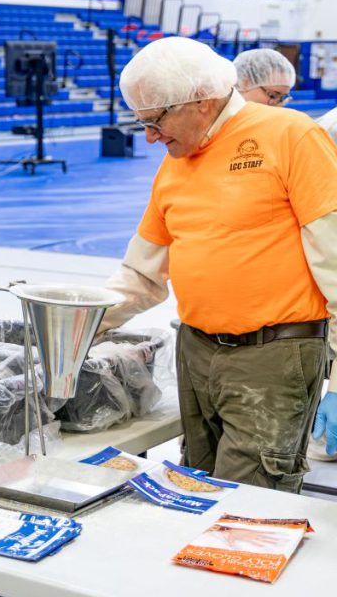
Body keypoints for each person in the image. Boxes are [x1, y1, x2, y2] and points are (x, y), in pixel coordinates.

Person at [100, 36, 337, 492]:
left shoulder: (291, 136)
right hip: (196, 352)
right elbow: (141, 275)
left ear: (202, 101)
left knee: (247, 504)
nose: (149, 136)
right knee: (195, 487)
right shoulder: (176, 160)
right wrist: (74, 326)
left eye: (155, 120)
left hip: (271, 358)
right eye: (141, 122)